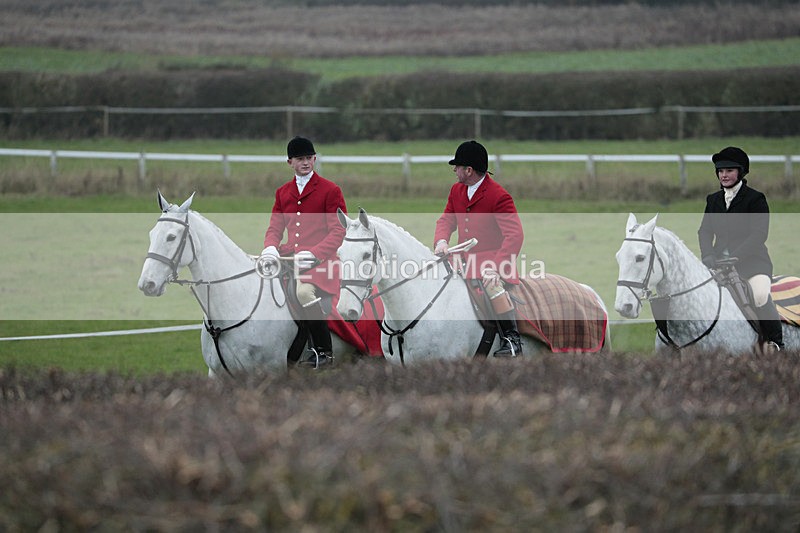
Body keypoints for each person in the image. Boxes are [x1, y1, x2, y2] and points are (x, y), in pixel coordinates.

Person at [261, 136, 346, 368]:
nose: (306, 162)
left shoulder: (331, 190)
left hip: (322, 263)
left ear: (315, 159)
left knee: (304, 293)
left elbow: (339, 231)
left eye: (309, 158)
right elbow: (275, 227)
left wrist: (316, 253)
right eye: (300, 159)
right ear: (290, 162)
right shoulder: (282, 192)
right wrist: (270, 247)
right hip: (290, 258)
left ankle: (323, 352)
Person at [434, 140, 525, 357]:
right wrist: (441, 241)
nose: (454, 170)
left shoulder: (498, 196)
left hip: (492, 261)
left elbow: (515, 235)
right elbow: (446, 220)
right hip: (462, 259)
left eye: (457, 166)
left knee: (491, 286)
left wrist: (497, 268)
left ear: (469, 170)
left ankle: (512, 341)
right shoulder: (457, 190)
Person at [698, 146, 784, 352]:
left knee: (761, 295)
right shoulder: (713, 200)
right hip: (719, 264)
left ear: (740, 172)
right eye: (720, 171)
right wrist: (708, 255)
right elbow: (704, 232)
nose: (724, 175)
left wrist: (736, 257)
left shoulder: (756, 199)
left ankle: (775, 343)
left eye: (729, 170)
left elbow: (759, 235)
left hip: (753, 264)